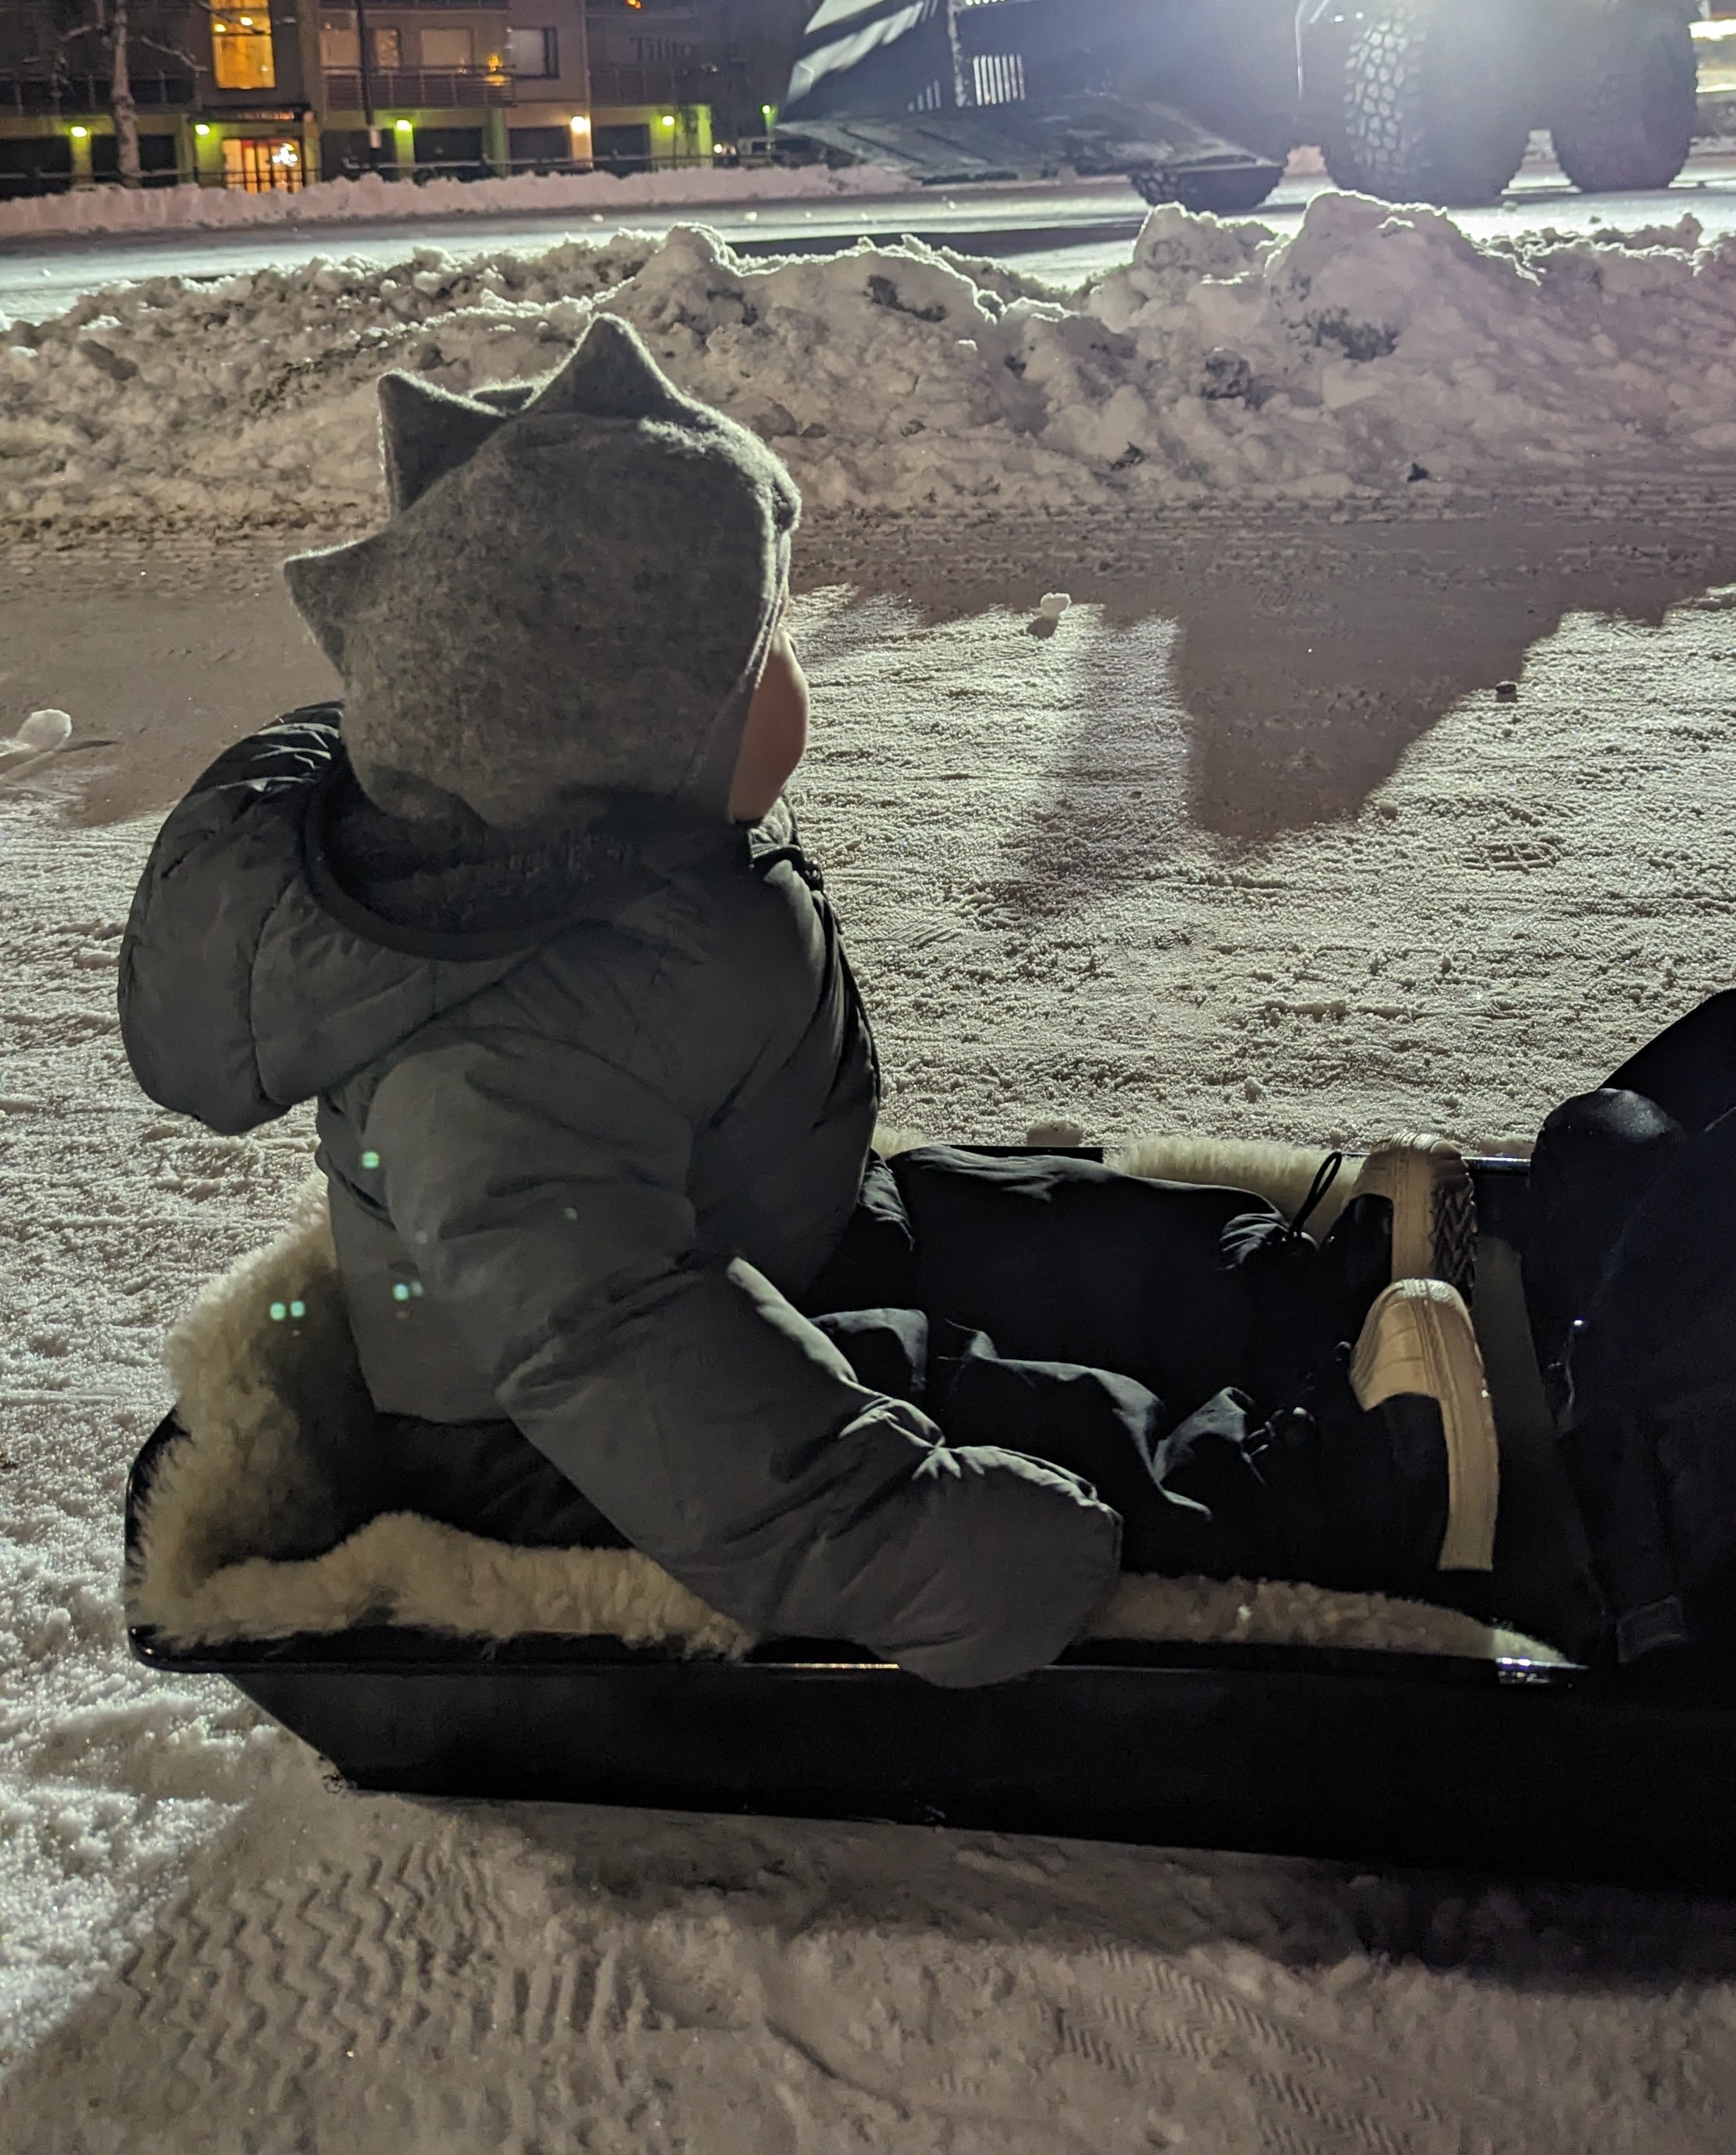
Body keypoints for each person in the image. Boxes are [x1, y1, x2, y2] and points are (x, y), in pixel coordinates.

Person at [120, 315, 1497, 1688]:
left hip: (764, 1240)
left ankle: (1314, 1289)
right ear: (627, 730)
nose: (798, 668)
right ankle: (1345, 1494)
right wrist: (912, 1549)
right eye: (767, 643)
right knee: (963, 1400)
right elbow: (626, 1362)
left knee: (1033, 1225)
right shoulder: (491, 1064)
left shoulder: (608, 854)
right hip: (583, 1449)